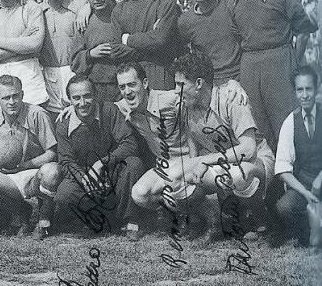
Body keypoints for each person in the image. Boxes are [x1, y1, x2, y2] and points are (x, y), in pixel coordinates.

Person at [173, 52, 275, 241]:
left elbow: (248, 149)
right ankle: (213, 217)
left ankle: (260, 216)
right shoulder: (185, 105)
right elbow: (193, 149)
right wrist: (194, 170)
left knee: (238, 174)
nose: (176, 91)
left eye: (181, 85)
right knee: (175, 177)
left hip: (256, 161)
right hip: (222, 163)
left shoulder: (230, 97)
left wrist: (205, 161)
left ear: (198, 83)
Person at [226, 0, 317, 151]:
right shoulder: (233, 2)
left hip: (279, 61)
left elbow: (303, 30)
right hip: (249, 66)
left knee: (288, 127)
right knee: (260, 130)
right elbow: (238, 38)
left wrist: (294, 63)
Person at [0, 75, 62, 239]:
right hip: (7, 178)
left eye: (16, 96)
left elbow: (52, 153)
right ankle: (20, 211)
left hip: (34, 173)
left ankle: (44, 218)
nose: (12, 101)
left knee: (52, 171)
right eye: (6, 98)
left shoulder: (37, 114)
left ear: (22, 94)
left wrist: (25, 165)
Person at [54, 75, 144, 239]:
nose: (83, 103)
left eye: (87, 96)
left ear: (95, 95)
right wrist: (84, 178)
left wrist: (101, 164)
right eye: (76, 98)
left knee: (134, 164)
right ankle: (103, 218)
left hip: (112, 171)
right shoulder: (63, 123)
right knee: (64, 194)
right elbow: (66, 161)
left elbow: (129, 143)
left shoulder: (109, 110)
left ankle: (130, 219)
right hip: (85, 176)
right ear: (69, 100)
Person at [113, 63, 198, 222]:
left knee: (174, 182)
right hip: (164, 165)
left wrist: (232, 88)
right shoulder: (124, 106)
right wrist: (71, 109)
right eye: (122, 87)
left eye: (132, 84)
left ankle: (204, 211)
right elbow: (101, 108)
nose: (127, 92)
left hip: (187, 161)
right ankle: (180, 212)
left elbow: (192, 126)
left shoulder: (170, 99)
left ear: (145, 83)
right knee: (139, 194)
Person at [111, 0, 182, 90]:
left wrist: (127, 40)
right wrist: (150, 48)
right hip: (130, 76)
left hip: (159, 72)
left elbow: (161, 40)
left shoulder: (163, 1)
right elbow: (115, 50)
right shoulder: (119, 9)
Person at [272, 66, 322, 246]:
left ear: (316, 89)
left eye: (309, 89)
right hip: (305, 187)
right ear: (295, 92)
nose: (305, 95)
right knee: (285, 207)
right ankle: (309, 233)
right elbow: (283, 169)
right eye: (300, 90)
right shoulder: (290, 122)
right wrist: (306, 193)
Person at [177, 0, 241, 84]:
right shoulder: (185, 21)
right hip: (209, 83)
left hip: (239, 77)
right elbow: (182, 52)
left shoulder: (231, 6)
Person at [39, 0, 87, 121]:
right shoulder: (38, 11)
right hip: (49, 73)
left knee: (80, 118)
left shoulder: (80, 3)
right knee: (55, 119)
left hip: (76, 70)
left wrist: (87, 8)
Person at [70, 0, 120, 105]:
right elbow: (74, 63)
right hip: (96, 89)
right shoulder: (83, 21)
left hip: (123, 86)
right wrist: (90, 54)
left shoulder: (123, 13)